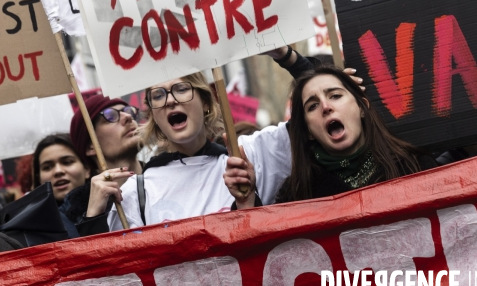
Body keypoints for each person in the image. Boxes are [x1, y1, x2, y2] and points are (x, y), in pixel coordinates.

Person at [78, 45, 329, 232]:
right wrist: (93, 216)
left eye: (181, 89)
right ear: (153, 115)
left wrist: (288, 57)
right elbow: (113, 276)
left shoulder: (249, 156)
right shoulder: (136, 192)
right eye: (158, 95)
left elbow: (325, 112)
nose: (171, 100)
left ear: (206, 102)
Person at [225, 66, 437, 208]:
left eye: (335, 96)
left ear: (362, 107)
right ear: (307, 130)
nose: (326, 107)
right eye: (313, 106)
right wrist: (247, 201)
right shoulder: (296, 196)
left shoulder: (415, 167)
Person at [68, 95, 139, 232]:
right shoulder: (72, 215)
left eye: (129, 111)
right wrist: (93, 218)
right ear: (90, 146)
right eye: (110, 116)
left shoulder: (166, 177)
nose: (128, 117)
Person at [32, 134, 99, 237]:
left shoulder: (113, 206)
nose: (58, 171)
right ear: (39, 178)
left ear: (87, 169)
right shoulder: (32, 229)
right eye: (47, 167)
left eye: (67, 162)